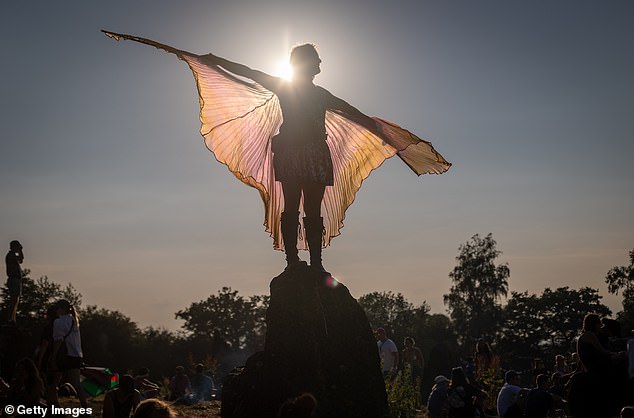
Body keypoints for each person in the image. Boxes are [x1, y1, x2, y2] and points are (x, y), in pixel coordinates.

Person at [103, 31, 451, 274]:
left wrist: (395, 138)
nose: (320, 65)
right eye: (316, 60)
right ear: (304, 64)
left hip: (313, 151)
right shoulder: (288, 87)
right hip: (297, 151)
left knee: (309, 209)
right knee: (293, 205)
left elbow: (356, 114)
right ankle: (293, 262)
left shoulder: (321, 93)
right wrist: (212, 60)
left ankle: (311, 262)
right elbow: (250, 73)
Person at [48, 299, 87, 408]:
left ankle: (54, 407)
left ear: (61, 309)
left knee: (53, 383)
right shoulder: (74, 320)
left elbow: (58, 341)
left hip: (64, 355)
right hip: (76, 354)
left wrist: (53, 357)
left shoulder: (58, 322)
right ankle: (84, 406)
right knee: (76, 383)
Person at [5, 240, 24, 324]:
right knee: (14, 299)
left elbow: (21, 260)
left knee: (16, 299)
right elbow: (20, 259)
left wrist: (20, 251)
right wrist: (20, 251)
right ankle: (10, 318)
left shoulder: (12, 255)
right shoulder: (11, 255)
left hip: (16, 279)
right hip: (13, 279)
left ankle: (13, 318)